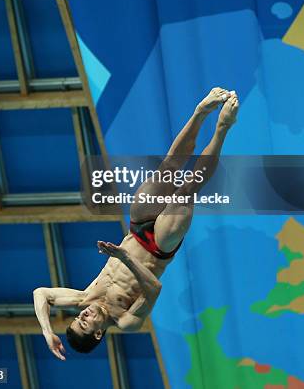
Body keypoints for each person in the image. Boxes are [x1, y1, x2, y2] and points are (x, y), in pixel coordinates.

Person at [33, 88, 239, 358]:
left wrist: (47, 331)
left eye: (77, 317)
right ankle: (223, 126)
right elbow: (154, 288)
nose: (83, 314)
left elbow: (41, 294)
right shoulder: (126, 321)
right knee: (187, 189)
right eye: (85, 321)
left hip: (137, 230)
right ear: (98, 333)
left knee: (168, 169)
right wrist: (124, 258)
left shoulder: (84, 298)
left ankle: (201, 111)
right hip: (158, 248)